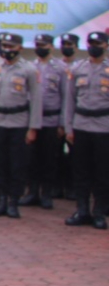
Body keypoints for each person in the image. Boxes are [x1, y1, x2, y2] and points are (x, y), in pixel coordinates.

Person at [0, 32, 41, 219]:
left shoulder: (29, 69)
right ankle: (1, 200)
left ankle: (14, 201)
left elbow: (36, 99)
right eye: (5, 46)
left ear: (20, 48)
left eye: (11, 47)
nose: (7, 50)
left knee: (17, 164)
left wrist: (33, 127)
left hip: (19, 121)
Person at [63, 30, 109, 228]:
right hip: (81, 125)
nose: (94, 47)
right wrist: (68, 128)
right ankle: (82, 210)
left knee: (102, 173)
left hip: (104, 127)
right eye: (91, 43)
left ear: (106, 46)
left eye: (98, 44)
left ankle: (98, 213)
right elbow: (70, 101)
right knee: (81, 171)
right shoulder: (78, 68)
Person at [23, 34, 65, 209]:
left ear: (51, 47)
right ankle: (32, 192)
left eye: (43, 45)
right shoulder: (30, 67)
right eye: (37, 44)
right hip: (33, 120)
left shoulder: (60, 68)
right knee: (31, 159)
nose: (40, 47)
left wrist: (62, 123)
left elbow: (65, 97)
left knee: (49, 159)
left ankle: (46, 194)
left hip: (51, 120)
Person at [56, 32, 81, 199]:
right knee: (55, 155)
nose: (66, 48)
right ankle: (56, 187)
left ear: (76, 47)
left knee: (75, 156)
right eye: (64, 44)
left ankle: (72, 188)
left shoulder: (80, 67)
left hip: (75, 118)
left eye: (69, 45)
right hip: (55, 117)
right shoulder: (55, 66)